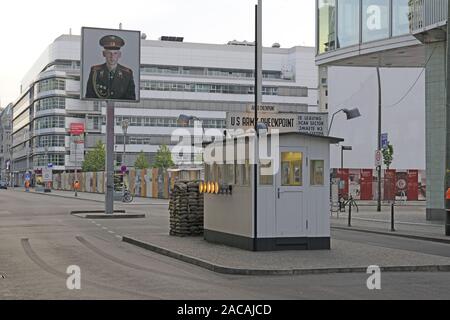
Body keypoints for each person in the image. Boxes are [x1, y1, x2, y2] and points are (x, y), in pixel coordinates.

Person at [86, 35, 136, 100]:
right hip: (101, 108)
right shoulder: (95, 71)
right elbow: (89, 96)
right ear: (104, 54)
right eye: (109, 53)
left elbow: (131, 98)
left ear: (119, 55)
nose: (112, 57)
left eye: (115, 53)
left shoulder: (127, 74)